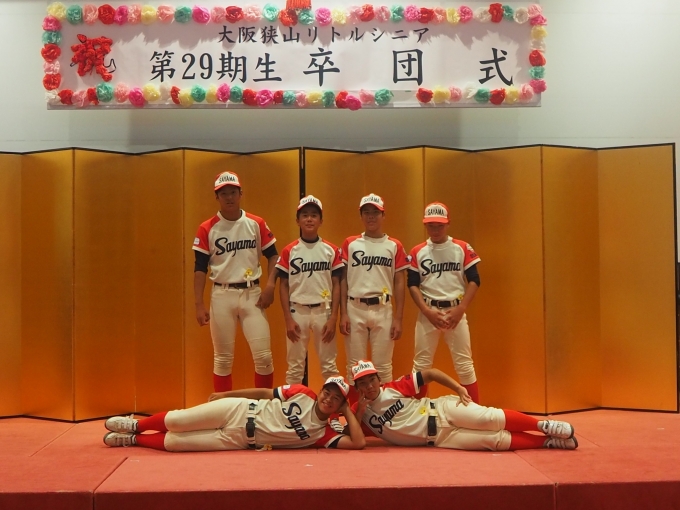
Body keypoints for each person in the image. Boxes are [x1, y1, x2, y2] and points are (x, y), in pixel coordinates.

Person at [350, 360, 578, 450]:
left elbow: (431, 373)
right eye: (363, 383)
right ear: (357, 387)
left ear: (378, 379)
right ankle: (547, 442)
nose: (369, 386)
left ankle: (543, 426)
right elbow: (355, 439)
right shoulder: (358, 413)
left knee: (489, 418)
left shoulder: (393, 387)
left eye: (371, 380)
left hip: (441, 411)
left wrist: (458, 388)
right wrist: (359, 412)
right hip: (440, 439)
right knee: (494, 441)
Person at [103, 376, 365, 451]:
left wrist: (346, 411)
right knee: (177, 420)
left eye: (336, 399)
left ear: (339, 406)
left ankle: (133, 440)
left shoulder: (323, 434)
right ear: (320, 391)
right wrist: (226, 394)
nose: (328, 399)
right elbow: (264, 392)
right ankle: (135, 426)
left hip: (239, 440)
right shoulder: (303, 393)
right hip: (239, 410)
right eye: (327, 393)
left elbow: (358, 442)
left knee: (175, 443)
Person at [192, 171, 278, 391]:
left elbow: (273, 255)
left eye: (233, 192)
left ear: (241, 194)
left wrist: (270, 286)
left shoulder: (255, 223)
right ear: (217, 197)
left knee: (264, 357)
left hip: (252, 293)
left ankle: (263, 406)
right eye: (223, 194)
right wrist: (199, 303)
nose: (229, 197)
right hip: (222, 294)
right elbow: (200, 267)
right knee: (222, 359)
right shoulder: (207, 227)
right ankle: (224, 408)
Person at [408, 202, 481, 403]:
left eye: (439, 225)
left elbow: (475, 280)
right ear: (425, 225)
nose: (435, 229)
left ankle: (474, 412)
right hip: (428, 312)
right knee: (421, 365)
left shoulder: (461, 247)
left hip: (455, 310)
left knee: (464, 364)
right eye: (431, 225)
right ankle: (416, 413)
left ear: (448, 224)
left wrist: (461, 308)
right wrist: (426, 311)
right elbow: (412, 284)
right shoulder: (418, 251)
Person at [340, 193, 410, 392]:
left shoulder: (394, 245)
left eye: (375, 212)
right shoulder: (350, 243)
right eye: (366, 212)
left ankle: (384, 409)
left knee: (383, 367)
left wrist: (398, 318)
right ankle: (355, 408)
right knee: (354, 366)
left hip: (383, 308)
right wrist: (343, 313)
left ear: (383, 215)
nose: (371, 216)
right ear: (361, 216)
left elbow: (399, 281)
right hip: (355, 306)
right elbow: (343, 279)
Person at [276, 195, 343, 385]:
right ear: (297, 220)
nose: (309, 219)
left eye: (314, 215)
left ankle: (333, 404)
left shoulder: (331, 249)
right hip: (297, 310)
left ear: (321, 220)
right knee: (295, 367)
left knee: (329, 365)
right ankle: (293, 403)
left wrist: (333, 317)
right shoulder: (290, 250)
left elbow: (337, 284)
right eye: (304, 215)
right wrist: (288, 319)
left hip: (324, 310)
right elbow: (283, 285)